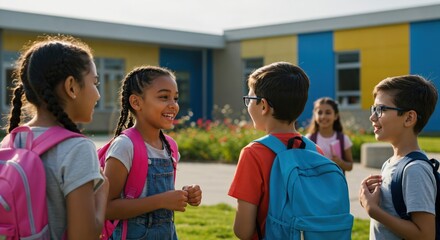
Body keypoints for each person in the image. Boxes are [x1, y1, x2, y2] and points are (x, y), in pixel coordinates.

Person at [4, 35, 109, 239]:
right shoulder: (77, 148)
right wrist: (103, 191)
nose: (98, 94)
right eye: (94, 83)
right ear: (71, 87)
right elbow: (83, 236)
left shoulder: (11, 141)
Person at [103, 66, 202, 240]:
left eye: (176, 98)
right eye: (164, 97)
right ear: (136, 103)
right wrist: (162, 200)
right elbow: (106, 208)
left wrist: (186, 194)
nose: (173, 104)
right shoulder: (125, 146)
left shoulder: (170, 146)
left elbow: (162, 192)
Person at [228, 62, 324, 239]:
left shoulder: (253, 153)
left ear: (263, 106)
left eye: (249, 99)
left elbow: (244, 230)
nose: (247, 105)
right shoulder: (315, 151)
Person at [359, 75, 438, 239]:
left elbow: (426, 235)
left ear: (409, 118)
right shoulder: (390, 163)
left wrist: (374, 210)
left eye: (381, 110)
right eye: (373, 109)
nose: (372, 117)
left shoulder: (415, 170)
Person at [306, 97, 354, 173]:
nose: (323, 116)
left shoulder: (343, 139)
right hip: (316, 183)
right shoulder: (309, 139)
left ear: (335, 116)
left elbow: (350, 166)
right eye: (319, 113)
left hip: (336, 183)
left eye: (328, 113)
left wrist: (340, 162)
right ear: (315, 115)